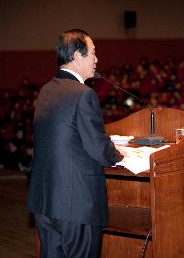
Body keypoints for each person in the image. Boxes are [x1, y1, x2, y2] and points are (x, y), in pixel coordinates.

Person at [27, 29, 126, 258]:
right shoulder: (83, 94)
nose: (96, 59)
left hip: (46, 203)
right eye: (93, 52)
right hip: (76, 206)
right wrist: (119, 154)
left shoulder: (46, 90)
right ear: (77, 55)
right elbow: (97, 149)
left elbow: (67, 139)